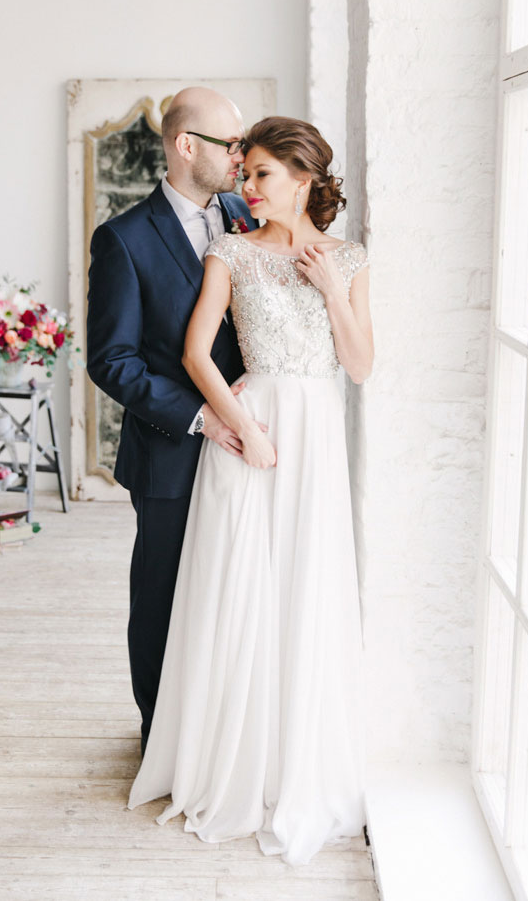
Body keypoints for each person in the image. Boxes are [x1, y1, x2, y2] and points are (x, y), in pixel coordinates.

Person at [127, 115, 374, 867]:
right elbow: (196, 353)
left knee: (304, 588)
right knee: (240, 592)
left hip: (317, 436)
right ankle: (228, 764)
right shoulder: (228, 251)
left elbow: (360, 366)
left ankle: (293, 763)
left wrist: (332, 288)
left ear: (303, 179)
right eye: (245, 173)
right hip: (253, 426)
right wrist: (244, 426)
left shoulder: (352, 259)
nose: (247, 186)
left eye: (262, 173)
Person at [86, 87, 258, 757]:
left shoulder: (251, 215)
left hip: (253, 443)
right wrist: (201, 418)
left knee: (236, 589)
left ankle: (227, 730)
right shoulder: (123, 240)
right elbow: (113, 361)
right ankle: (161, 740)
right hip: (173, 453)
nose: (242, 157)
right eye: (231, 144)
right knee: (161, 595)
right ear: (187, 147)